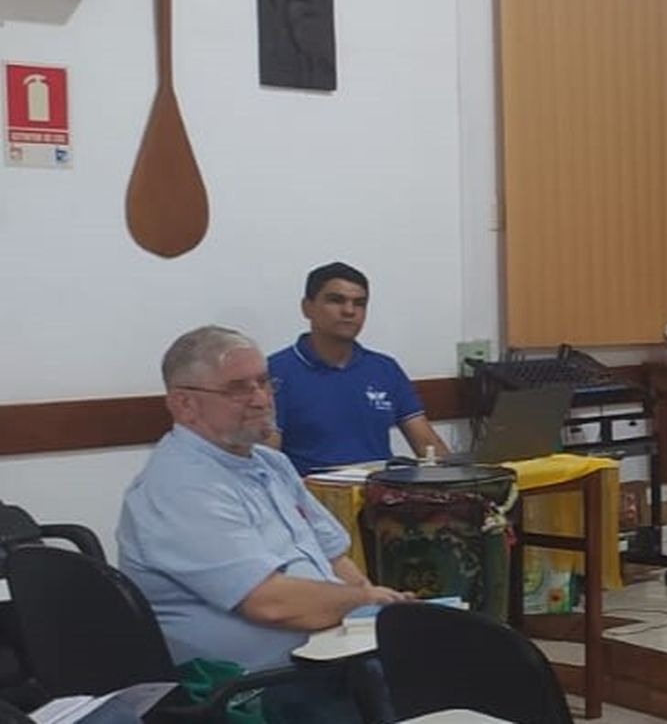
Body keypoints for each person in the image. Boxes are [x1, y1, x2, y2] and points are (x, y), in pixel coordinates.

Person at [118, 325, 411, 722]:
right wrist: (365, 603)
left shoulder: (270, 463)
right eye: (238, 388)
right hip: (254, 689)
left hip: (326, 656)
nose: (260, 399)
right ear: (185, 404)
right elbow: (270, 604)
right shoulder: (179, 487)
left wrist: (368, 606)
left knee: (448, 665)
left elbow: (334, 556)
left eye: (263, 382)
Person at [268, 262, 448, 473]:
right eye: (336, 300)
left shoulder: (385, 369)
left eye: (359, 303)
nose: (349, 311)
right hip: (311, 498)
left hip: (382, 495)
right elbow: (268, 461)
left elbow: (427, 444)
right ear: (307, 307)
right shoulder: (274, 372)